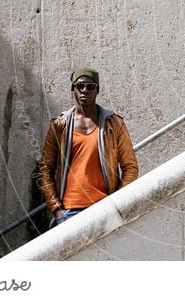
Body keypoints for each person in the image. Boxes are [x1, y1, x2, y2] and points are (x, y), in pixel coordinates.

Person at [38, 67, 139, 227]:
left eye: (91, 86)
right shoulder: (59, 125)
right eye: (80, 86)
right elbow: (45, 169)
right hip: (69, 212)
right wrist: (57, 209)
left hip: (104, 209)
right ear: (73, 90)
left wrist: (116, 203)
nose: (85, 90)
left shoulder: (114, 123)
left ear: (97, 91)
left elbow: (130, 167)